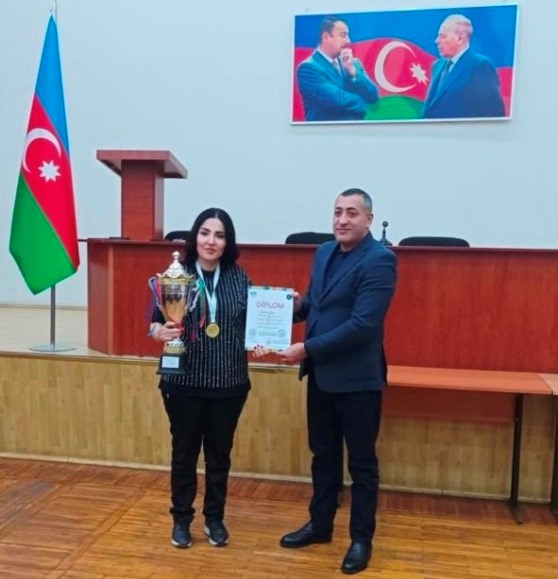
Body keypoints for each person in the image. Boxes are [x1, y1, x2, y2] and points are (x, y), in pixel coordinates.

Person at [277, 188, 397, 574]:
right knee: (324, 456)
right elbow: (317, 305)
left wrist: (306, 348)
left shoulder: (380, 260)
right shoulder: (325, 252)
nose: (342, 220)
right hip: (321, 377)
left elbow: (362, 325)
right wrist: (292, 307)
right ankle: (321, 525)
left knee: (361, 465)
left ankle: (361, 539)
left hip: (358, 381)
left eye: (351, 213)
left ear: (368, 219)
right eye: (337, 212)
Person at [149, 208, 251, 549]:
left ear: (227, 242)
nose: (211, 241)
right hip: (183, 384)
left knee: (219, 457)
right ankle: (181, 520)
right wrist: (158, 331)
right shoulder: (176, 275)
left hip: (229, 384)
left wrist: (264, 337)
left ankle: (214, 519)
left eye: (219, 235)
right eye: (205, 233)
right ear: (195, 237)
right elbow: (153, 321)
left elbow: (252, 324)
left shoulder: (239, 277)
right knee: (184, 455)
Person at [423, 14, 505, 119]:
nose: (437, 41)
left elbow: (493, 112)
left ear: (460, 39)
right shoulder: (437, 66)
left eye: (442, 36)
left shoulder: (480, 66)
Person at [297, 16, 379, 122]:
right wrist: (364, 101)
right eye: (343, 35)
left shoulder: (353, 63)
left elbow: (373, 95)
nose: (348, 40)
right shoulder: (308, 68)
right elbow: (338, 101)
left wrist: (353, 73)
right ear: (326, 37)